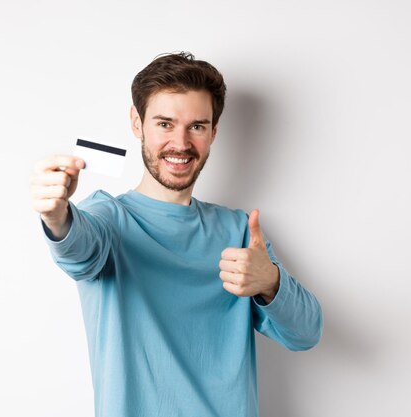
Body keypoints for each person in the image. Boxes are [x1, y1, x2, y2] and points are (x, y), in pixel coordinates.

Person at [30, 52, 323, 417]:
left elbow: (306, 333)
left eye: (197, 126)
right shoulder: (108, 217)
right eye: (165, 124)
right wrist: (56, 216)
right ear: (137, 123)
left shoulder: (239, 229)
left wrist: (271, 281)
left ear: (214, 132)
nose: (181, 143)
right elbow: (79, 250)